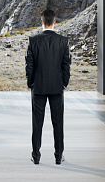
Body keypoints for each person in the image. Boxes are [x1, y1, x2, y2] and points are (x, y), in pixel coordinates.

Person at [25, 9, 71, 165]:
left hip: (38, 87)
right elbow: (66, 65)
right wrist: (64, 82)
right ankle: (59, 156)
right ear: (55, 22)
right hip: (57, 87)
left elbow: (29, 66)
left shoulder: (33, 41)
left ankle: (36, 156)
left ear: (41, 22)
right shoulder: (63, 41)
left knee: (37, 123)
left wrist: (30, 83)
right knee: (58, 123)